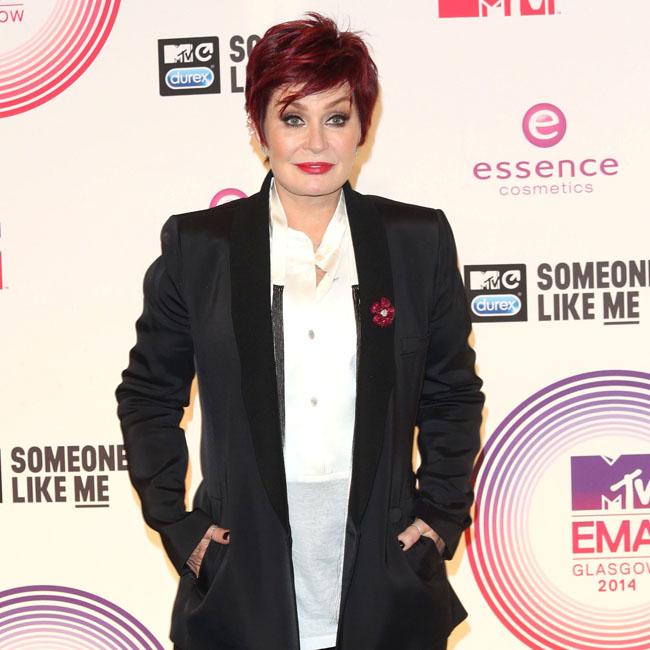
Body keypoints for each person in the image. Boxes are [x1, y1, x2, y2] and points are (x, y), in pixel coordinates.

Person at [115, 12, 484, 650]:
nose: (316, 142)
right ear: (258, 129)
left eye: (336, 118)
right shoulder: (199, 248)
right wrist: (178, 526)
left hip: (386, 578)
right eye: (293, 118)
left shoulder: (416, 243)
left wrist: (439, 518)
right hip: (242, 579)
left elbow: (451, 394)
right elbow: (148, 396)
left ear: (363, 128)